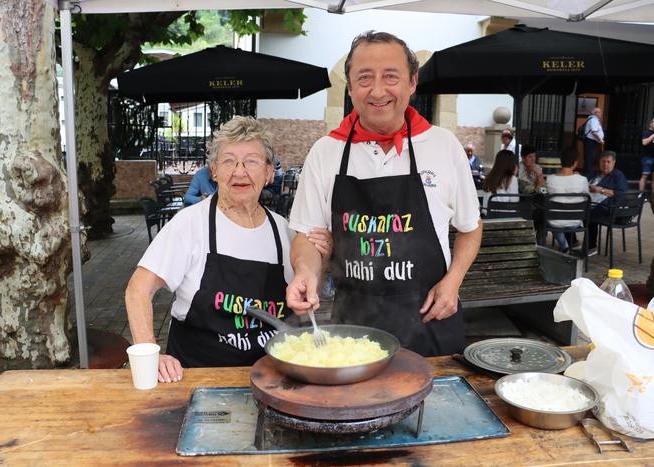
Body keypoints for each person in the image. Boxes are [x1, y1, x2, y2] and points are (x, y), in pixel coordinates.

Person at [286, 31, 482, 357]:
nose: (378, 90)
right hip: (353, 334)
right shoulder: (326, 151)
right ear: (349, 86)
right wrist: (306, 272)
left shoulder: (443, 146)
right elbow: (307, 236)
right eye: (364, 78)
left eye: (390, 76)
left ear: (412, 82)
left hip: (430, 324)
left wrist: (453, 282)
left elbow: (470, 227)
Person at [126, 116, 331, 383]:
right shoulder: (190, 224)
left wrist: (321, 262)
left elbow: (308, 296)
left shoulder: (284, 230)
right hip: (200, 377)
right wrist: (149, 353)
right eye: (228, 161)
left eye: (252, 161)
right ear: (214, 171)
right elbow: (138, 289)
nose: (239, 171)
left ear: (269, 172)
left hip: (271, 378)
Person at [545, 147, 589, 253]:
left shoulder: (550, 179)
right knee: (556, 216)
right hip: (575, 221)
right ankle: (566, 246)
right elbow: (586, 198)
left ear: (561, 161)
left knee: (548, 217)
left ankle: (564, 246)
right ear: (575, 162)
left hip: (555, 221)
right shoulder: (582, 180)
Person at [587, 150, 628, 255]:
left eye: (608, 162)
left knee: (586, 215)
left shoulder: (618, 176)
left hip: (608, 208)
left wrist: (601, 190)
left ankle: (591, 246)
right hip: (590, 203)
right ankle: (572, 242)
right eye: (603, 161)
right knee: (573, 212)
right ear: (599, 162)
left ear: (614, 163)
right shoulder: (594, 173)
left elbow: (620, 194)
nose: (605, 164)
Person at [482, 149, 519, 214]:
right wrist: (514, 175)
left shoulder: (490, 177)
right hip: (505, 217)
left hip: (488, 215)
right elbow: (515, 201)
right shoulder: (512, 179)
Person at [582, 107, 605, 180]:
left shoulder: (592, 120)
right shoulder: (594, 120)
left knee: (589, 159)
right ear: (595, 113)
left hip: (590, 142)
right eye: (600, 112)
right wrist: (600, 140)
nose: (601, 113)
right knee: (590, 160)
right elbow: (594, 132)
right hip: (591, 142)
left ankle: (588, 176)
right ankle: (588, 178)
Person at [640, 117, 654, 195]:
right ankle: (641, 194)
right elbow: (644, 143)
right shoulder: (646, 132)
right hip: (647, 158)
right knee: (644, 175)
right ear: (651, 124)